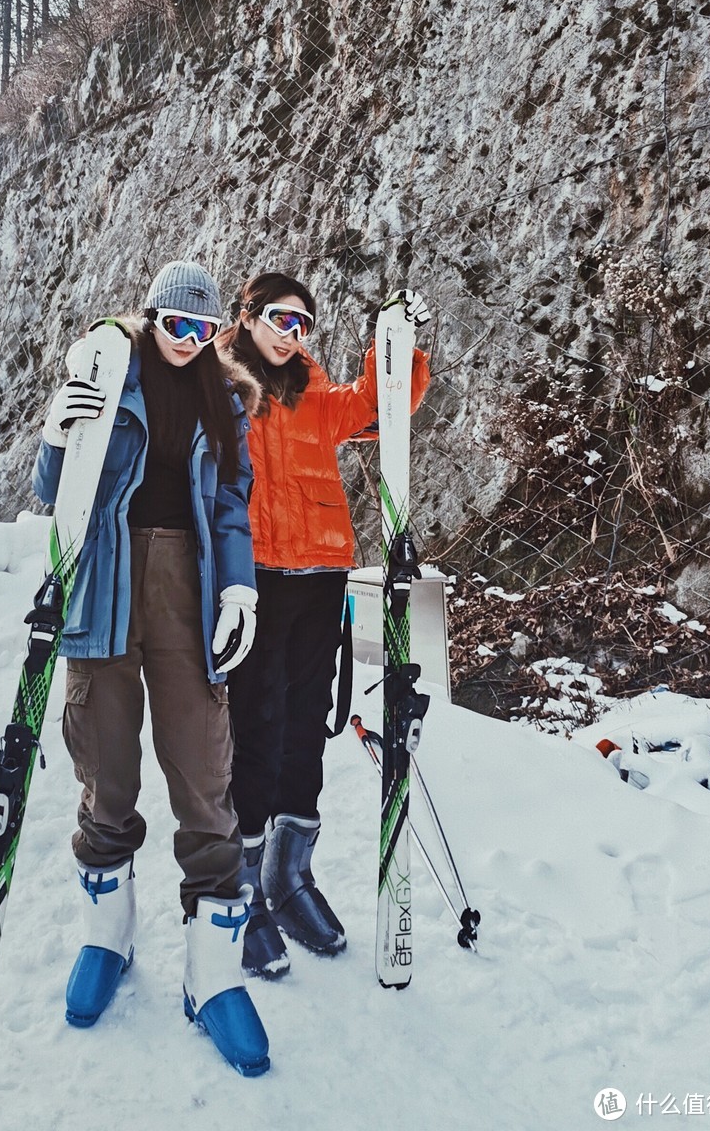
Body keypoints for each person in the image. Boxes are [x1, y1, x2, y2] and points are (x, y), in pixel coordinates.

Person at [32, 261, 270, 1077]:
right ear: (150, 318)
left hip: (189, 582)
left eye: (205, 331)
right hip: (104, 577)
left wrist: (238, 587)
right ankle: (109, 936)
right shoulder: (107, 374)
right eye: (176, 326)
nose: (188, 343)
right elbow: (52, 495)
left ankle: (215, 977)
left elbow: (232, 501)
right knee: (105, 758)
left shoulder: (224, 399)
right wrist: (57, 435)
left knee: (204, 765)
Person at [217, 274, 430, 978]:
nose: (291, 333)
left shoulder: (317, 399)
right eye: (280, 318)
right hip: (255, 582)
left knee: (307, 724)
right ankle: (240, 889)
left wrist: (394, 342)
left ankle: (288, 876)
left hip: (320, 581)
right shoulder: (217, 391)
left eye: (303, 324)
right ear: (247, 318)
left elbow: (385, 405)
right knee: (254, 729)